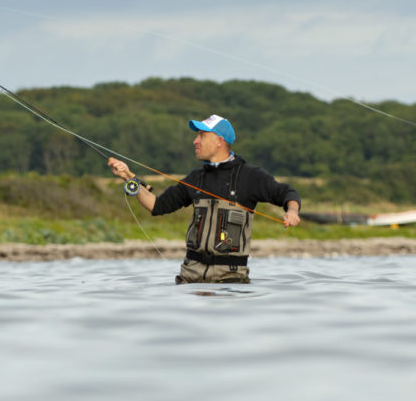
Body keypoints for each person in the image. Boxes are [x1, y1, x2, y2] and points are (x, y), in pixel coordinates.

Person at [108, 114, 301, 284]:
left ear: (219, 140)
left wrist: (292, 211)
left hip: (230, 284)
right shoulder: (196, 178)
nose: (195, 141)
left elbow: (288, 194)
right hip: (189, 281)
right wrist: (128, 177)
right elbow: (157, 205)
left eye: (201, 135)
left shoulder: (251, 176)